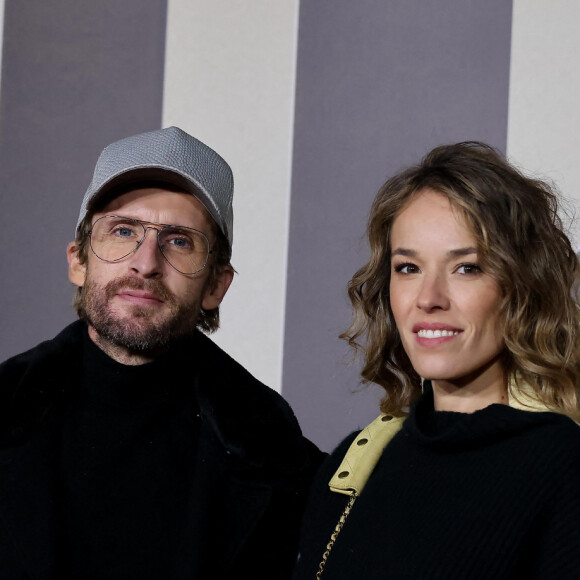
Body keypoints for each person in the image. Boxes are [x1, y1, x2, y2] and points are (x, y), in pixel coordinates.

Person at [0, 126, 323, 579]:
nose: (145, 263)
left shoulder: (276, 455)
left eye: (178, 240)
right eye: (123, 230)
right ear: (78, 260)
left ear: (215, 284)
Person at [293, 142, 580, 579]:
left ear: (521, 286)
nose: (428, 299)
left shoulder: (563, 466)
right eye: (408, 268)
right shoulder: (349, 470)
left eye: (467, 268)